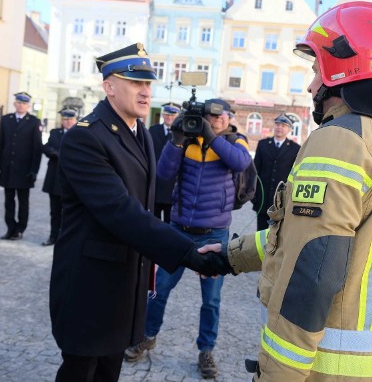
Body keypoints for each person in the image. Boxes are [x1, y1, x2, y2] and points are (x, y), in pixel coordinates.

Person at [201, 2, 372, 381]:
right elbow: (310, 236)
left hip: (332, 368)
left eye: (314, 70)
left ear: (340, 68)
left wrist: (277, 376)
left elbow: (313, 270)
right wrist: (232, 255)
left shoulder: (341, 139)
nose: (310, 85)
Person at [48, 43, 230, 382]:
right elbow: (122, 211)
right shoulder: (86, 138)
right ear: (109, 86)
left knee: (108, 372)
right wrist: (188, 252)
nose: (146, 91)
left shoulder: (139, 132)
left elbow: (151, 197)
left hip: (124, 286)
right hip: (90, 288)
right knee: (81, 372)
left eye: (148, 83)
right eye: (135, 83)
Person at [124, 98, 252, 378]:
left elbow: (240, 163)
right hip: (179, 230)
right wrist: (176, 139)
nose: (214, 120)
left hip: (215, 234)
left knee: (211, 300)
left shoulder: (235, 141)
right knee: (159, 290)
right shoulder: (188, 142)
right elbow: (164, 172)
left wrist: (211, 137)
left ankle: (206, 350)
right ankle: (147, 335)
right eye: (209, 116)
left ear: (229, 117)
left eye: (219, 116)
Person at [0, 92, 43, 240]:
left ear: (28, 106)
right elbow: (1, 144)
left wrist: (34, 170)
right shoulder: (6, 119)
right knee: (8, 201)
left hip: (24, 169)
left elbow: (37, 149)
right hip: (8, 168)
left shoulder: (34, 122)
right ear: (15, 104)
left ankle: (20, 228)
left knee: (23, 201)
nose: (20, 105)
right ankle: (10, 228)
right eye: (18, 102)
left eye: (24, 103)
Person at [252, 114, 301, 230]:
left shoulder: (295, 149)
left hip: (281, 200)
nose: (279, 127)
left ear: (289, 129)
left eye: (283, 125)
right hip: (263, 198)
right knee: (260, 231)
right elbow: (254, 171)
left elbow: (295, 175)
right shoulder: (263, 144)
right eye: (278, 124)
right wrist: (253, 195)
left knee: (278, 232)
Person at [41, 109, 77, 246]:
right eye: (65, 119)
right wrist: (52, 152)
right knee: (54, 211)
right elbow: (46, 147)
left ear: (75, 120)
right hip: (55, 178)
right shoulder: (55, 133)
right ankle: (53, 236)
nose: (67, 122)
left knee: (69, 212)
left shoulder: (80, 133)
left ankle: (67, 239)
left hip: (71, 180)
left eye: (70, 119)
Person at [148, 102, 181, 222]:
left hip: (172, 184)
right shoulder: (153, 130)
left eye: (173, 115)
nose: (169, 117)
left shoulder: (181, 135)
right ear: (162, 114)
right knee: (153, 220)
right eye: (167, 114)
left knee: (169, 222)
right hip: (155, 183)